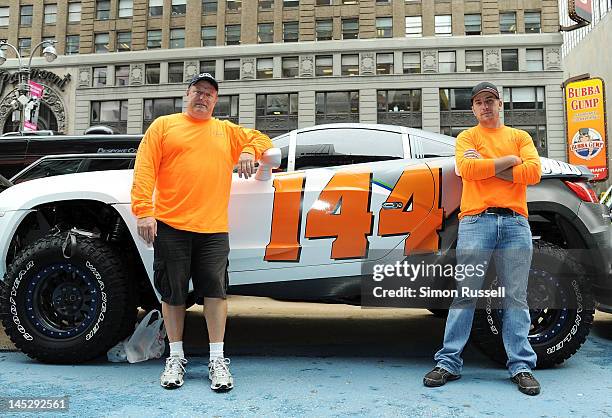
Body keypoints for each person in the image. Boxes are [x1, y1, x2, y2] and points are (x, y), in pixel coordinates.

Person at [131, 72, 273, 391]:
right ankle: (176, 357)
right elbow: (144, 170)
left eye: (209, 94)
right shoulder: (164, 126)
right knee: (173, 293)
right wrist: (144, 211)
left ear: (216, 101)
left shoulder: (225, 131)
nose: (203, 97)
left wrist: (249, 150)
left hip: (213, 229)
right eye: (198, 91)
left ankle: (217, 359)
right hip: (171, 224)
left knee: (216, 292)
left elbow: (263, 140)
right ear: (187, 94)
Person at [423, 82, 542, 396]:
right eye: (478, 102)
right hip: (476, 221)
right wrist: (508, 162)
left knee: (515, 297)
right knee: (465, 294)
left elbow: (533, 173)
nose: (484, 106)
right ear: (473, 108)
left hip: (515, 222)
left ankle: (521, 366)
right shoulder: (467, 137)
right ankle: (448, 362)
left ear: (500, 104)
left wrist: (487, 167)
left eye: (490, 100)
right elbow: (466, 168)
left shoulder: (520, 137)